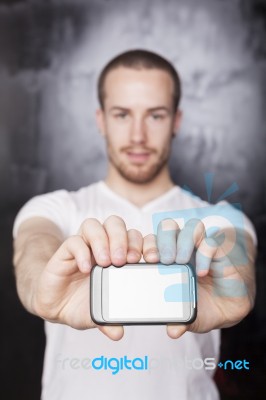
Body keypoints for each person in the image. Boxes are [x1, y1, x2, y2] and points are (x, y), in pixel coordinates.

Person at [13, 49, 256, 400]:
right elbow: (33, 251)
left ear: (176, 121)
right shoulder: (55, 209)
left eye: (155, 116)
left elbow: (240, 265)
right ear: (101, 120)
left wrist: (237, 288)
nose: (138, 135)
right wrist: (40, 290)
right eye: (122, 114)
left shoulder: (222, 219)